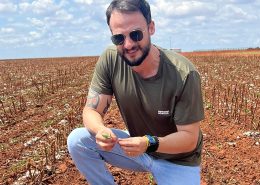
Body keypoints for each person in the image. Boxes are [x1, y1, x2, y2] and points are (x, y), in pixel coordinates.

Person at [67, 0, 204, 184]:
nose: (128, 44)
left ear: (151, 28)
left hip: (178, 161)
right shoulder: (110, 58)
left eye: (136, 34)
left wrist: (148, 143)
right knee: (78, 141)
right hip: (136, 148)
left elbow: (189, 139)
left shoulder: (183, 74)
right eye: (119, 38)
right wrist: (100, 130)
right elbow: (91, 110)